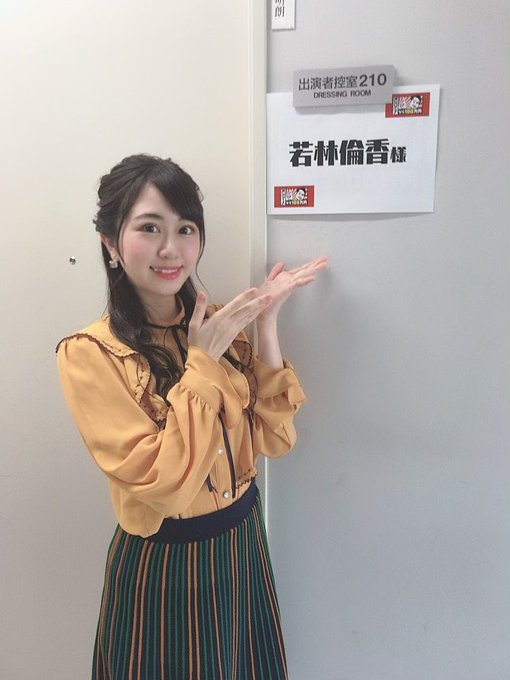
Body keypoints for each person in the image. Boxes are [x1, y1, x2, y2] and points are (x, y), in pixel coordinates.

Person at [57, 153, 327, 680]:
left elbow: (274, 440)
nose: (170, 248)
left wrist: (267, 325)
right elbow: (165, 485)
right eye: (149, 227)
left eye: (185, 228)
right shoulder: (89, 353)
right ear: (110, 244)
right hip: (163, 567)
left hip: (242, 545)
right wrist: (202, 361)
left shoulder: (220, 324)